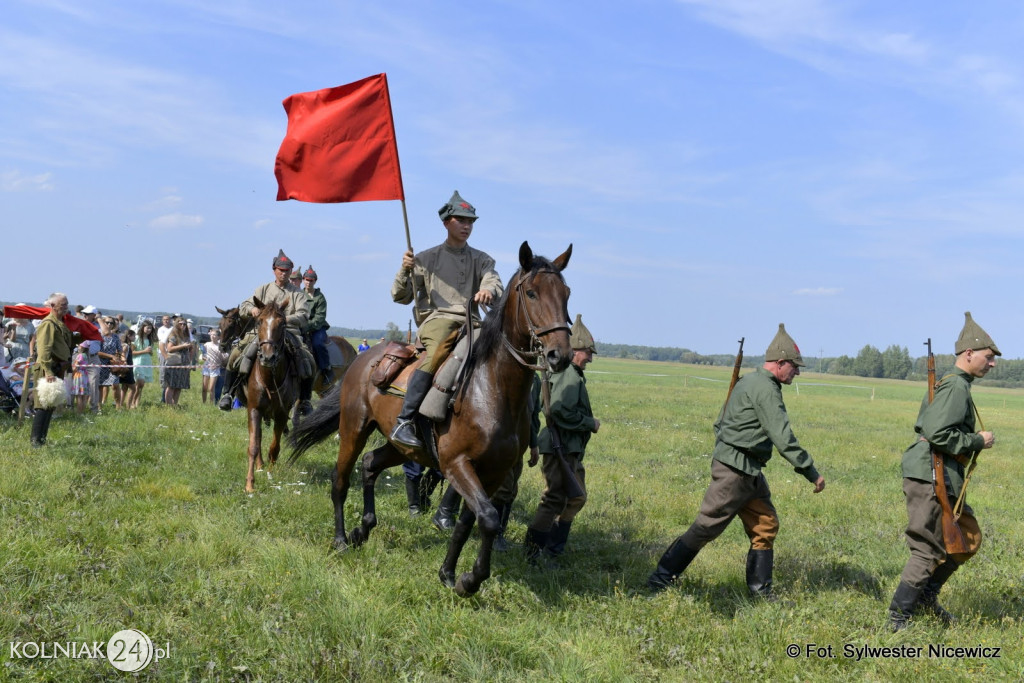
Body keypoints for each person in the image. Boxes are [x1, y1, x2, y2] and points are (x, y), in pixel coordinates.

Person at [647, 323, 826, 598]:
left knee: (765, 523)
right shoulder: (765, 389)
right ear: (780, 363)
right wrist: (811, 472)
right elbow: (783, 437)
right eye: (795, 366)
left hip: (749, 470)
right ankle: (660, 580)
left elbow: (720, 421)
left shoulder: (752, 382)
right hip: (736, 472)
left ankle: (760, 591)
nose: (798, 372)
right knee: (705, 527)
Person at [887, 312, 998, 632]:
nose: (992, 364)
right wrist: (978, 439)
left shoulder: (958, 384)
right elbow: (936, 433)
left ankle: (925, 597)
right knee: (928, 548)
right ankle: (898, 619)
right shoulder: (956, 388)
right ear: (969, 354)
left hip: (945, 474)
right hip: (930, 474)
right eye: (988, 358)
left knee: (968, 538)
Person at [389, 190, 503, 448]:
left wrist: (488, 290)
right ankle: (404, 421)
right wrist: (404, 269)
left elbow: (492, 279)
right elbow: (400, 296)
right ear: (446, 223)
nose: (467, 226)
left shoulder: (482, 259)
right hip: (437, 320)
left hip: (472, 322)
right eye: (461, 220)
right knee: (440, 348)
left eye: (471, 221)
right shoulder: (425, 259)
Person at [524, 315, 600, 562]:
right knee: (555, 498)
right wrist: (590, 423)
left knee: (575, 497)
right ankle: (534, 552)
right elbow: (558, 409)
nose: (590, 357)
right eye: (588, 352)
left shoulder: (573, 373)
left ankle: (550, 550)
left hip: (568, 446)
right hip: (561, 444)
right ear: (576, 350)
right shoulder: (568, 373)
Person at [218, 249, 314, 414]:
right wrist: (253, 310)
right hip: (261, 333)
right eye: (280, 270)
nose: (283, 273)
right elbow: (245, 306)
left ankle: (305, 401)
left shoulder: (298, 294)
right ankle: (228, 393)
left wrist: (283, 320)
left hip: (288, 331)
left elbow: (304, 315)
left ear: (291, 272)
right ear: (274, 270)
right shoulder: (262, 289)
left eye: (286, 270)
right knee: (235, 354)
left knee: (308, 359)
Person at [492, 372, 542, 551]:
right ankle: (493, 536)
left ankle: (500, 532)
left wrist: (534, 444)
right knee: (502, 490)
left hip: (519, 442)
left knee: (511, 490)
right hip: (501, 441)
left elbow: (533, 414)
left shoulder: (534, 379)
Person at [29, 293, 74, 447]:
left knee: (50, 405)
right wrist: (48, 372)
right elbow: (44, 349)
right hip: (47, 368)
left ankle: (42, 440)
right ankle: (36, 442)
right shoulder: (48, 323)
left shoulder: (60, 323)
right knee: (42, 405)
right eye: (63, 305)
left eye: (67, 304)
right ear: (53, 306)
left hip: (57, 368)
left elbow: (65, 342)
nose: (66, 308)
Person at [302, 265, 333, 384]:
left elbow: (319, 318)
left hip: (317, 328)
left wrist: (306, 326)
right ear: (303, 280)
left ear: (315, 281)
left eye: (311, 280)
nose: (308, 282)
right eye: (306, 279)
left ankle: (326, 370)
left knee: (318, 344)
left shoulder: (320, 297)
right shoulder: (299, 295)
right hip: (301, 327)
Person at [162, 316, 192, 406]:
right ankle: (169, 406)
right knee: (171, 386)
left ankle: (174, 405)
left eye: (184, 324)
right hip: (174, 362)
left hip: (184, 363)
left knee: (179, 386)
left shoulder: (186, 335)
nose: (183, 325)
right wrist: (183, 346)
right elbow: (169, 348)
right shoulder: (174, 335)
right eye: (180, 324)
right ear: (177, 324)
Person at [97, 316, 123, 410]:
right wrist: (110, 356)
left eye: (111, 323)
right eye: (107, 322)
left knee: (115, 384)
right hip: (100, 362)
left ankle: (118, 407)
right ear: (103, 323)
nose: (109, 324)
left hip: (112, 364)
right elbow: (97, 352)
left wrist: (118, 357)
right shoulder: (99, 335)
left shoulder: (115, 337)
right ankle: (99, 407)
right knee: (100, 386)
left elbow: (120, 350)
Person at [131, 319, 158, 408]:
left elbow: (150, 353)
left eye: (150, 328)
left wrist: (149, 352)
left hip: (146, 363)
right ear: (143, 328)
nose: (149, 330)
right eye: (147, 328)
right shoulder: (137, 338)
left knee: (140, 386)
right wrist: (144, 351)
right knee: (140, 383)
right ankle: (132, 402)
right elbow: (132, 352)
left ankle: (136, 403)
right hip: (138, 363)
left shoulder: (150, 340)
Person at [202, 329, 227, 404]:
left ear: (218, 337)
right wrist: (204, 357)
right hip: (206, 367)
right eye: (211, 334)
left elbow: (224, 358)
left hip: (215, 368)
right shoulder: (206, 344)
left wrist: (222, 360)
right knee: (204, 388)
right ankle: (204, 403)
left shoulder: (220, 347)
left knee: (211, 388)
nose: (212, 336)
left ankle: (211, 403)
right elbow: (203, 354)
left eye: (214, 335)